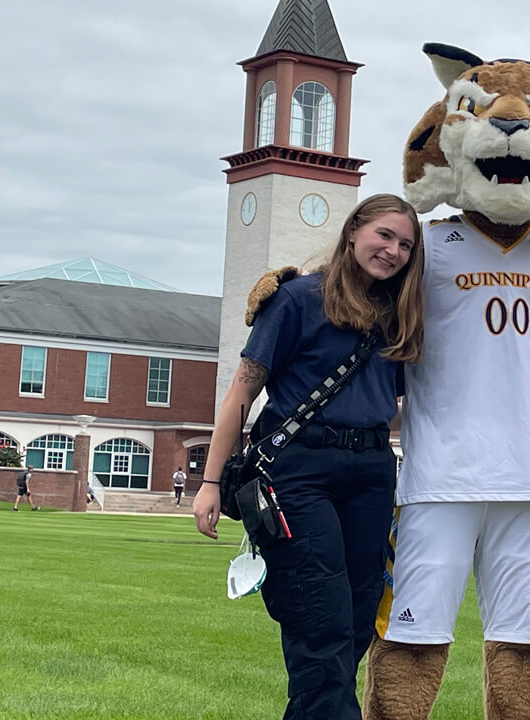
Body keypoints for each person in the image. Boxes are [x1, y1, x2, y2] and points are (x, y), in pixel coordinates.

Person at [192, 194, 424, 720]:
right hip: (299, 468)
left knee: (360, 612)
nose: (392, 251)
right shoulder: (296, 299)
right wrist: (209, 482)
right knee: (320, 615)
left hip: (370, 469)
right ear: (352, 232)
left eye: (405, 245)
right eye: (383, 236)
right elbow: (241, 394)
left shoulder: (399, 315)